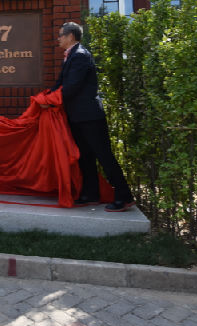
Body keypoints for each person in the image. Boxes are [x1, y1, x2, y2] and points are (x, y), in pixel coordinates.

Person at [50, 22, 135, 212]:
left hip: (90, 117)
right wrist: (47, 96)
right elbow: (60, 83)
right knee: (85, 157)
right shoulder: (71, 56)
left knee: (104, 156)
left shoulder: (80, 55)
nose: (58, 39)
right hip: (77, 116)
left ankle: (124, 196)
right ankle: (91, 194)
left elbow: (72, 86)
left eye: (61, 35)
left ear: (70, 36)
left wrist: (51, 100)